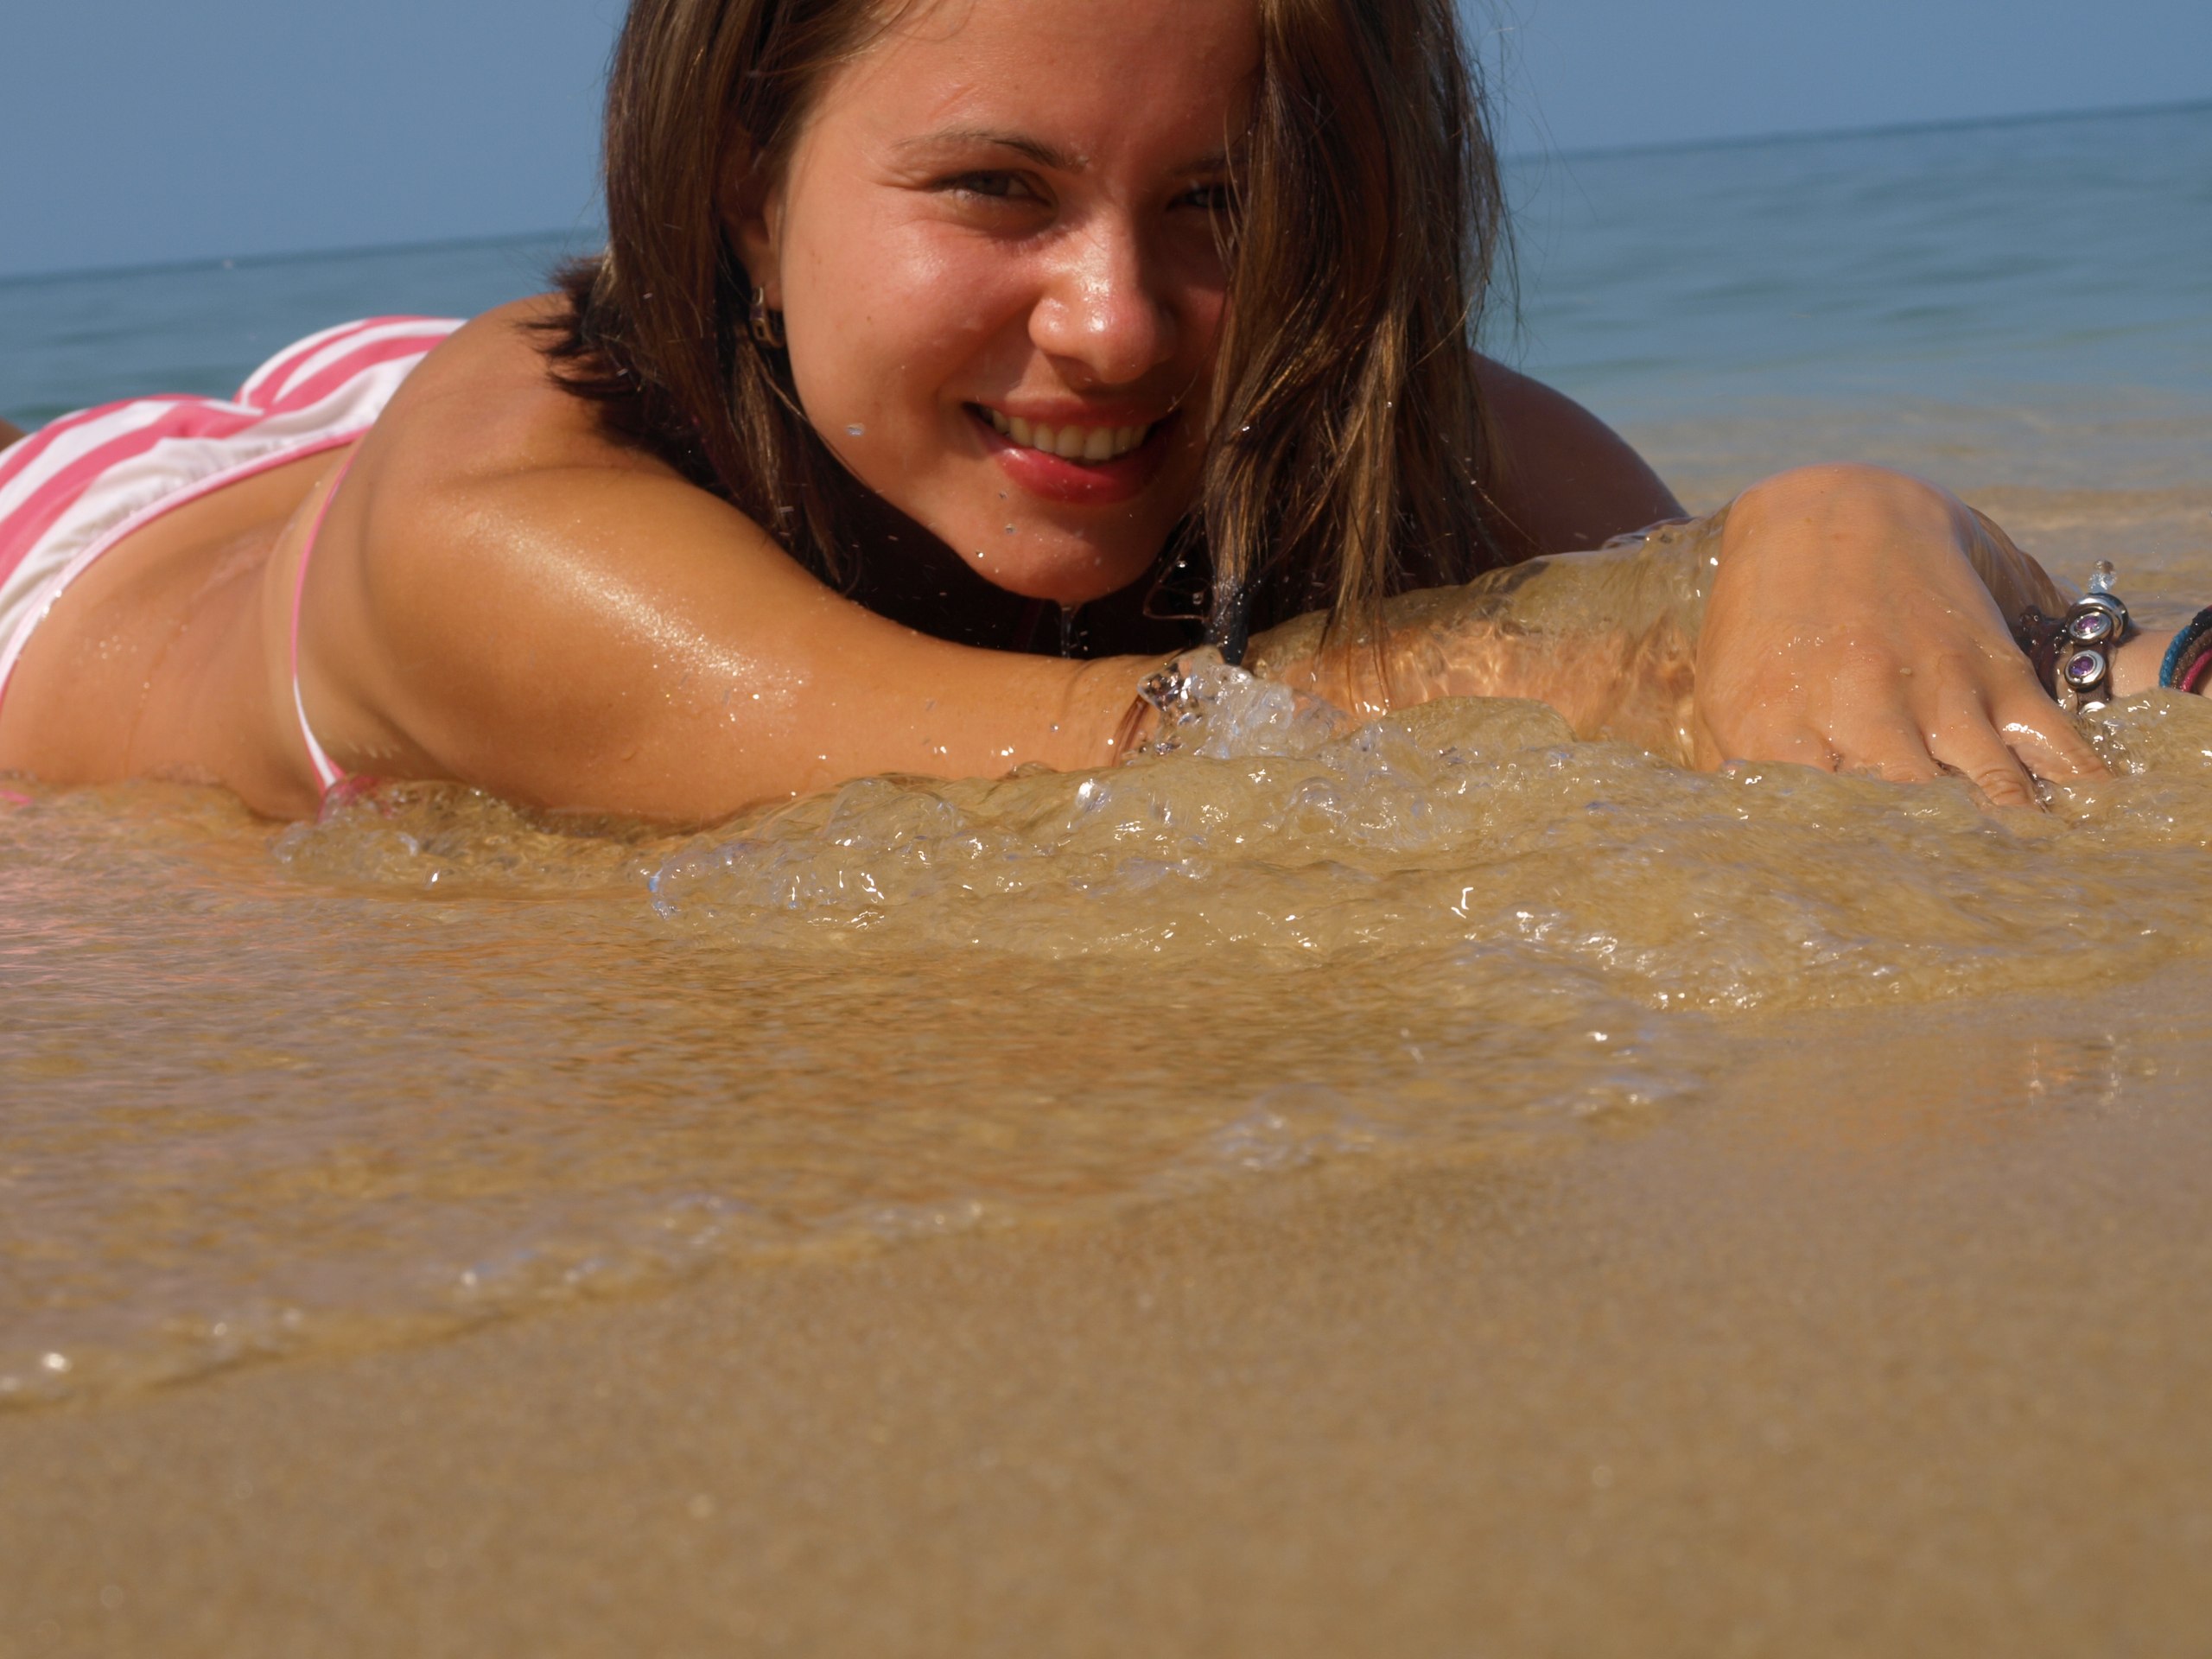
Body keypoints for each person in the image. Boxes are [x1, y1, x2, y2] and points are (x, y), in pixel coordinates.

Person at [0, 0, 2152, 825]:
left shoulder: (1395, 425)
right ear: (747, 187)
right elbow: (1130, 756)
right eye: (991, 191)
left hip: (788, 410)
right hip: (118, 539)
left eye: (1218, 205)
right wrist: (1786, 549)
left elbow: (1825, 691)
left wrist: (1874, 529)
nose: (1117, 327)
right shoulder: (500, 558)